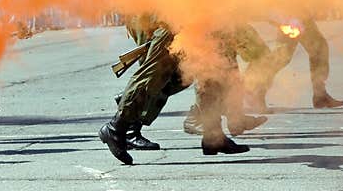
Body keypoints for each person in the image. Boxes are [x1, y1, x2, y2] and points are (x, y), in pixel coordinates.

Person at [100, 14, 249, 165]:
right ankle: (117, 127)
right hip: (171, 15)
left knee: (208, 68)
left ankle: (213, 134)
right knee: (157, 74)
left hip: (196, 15)